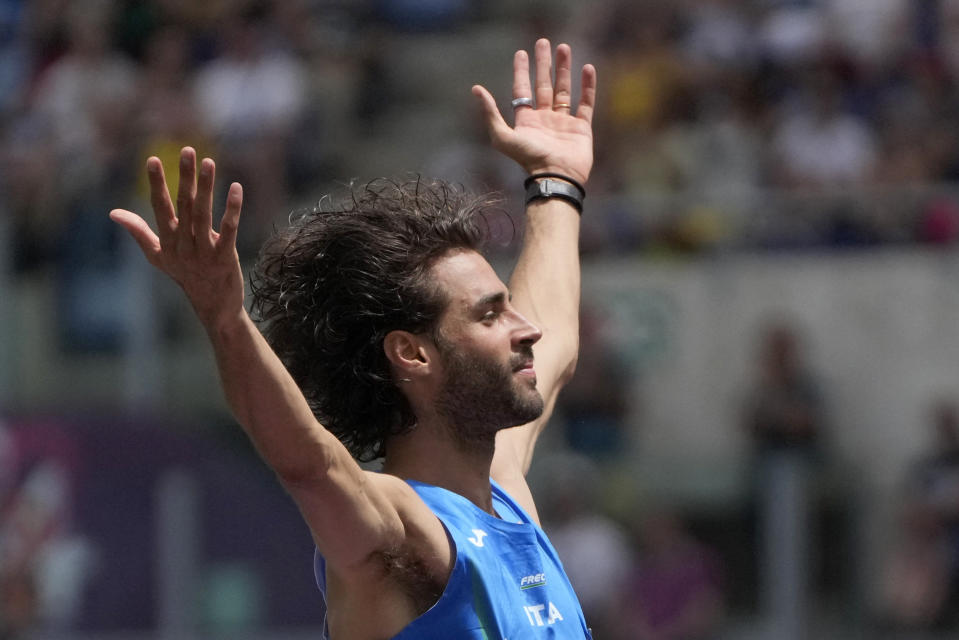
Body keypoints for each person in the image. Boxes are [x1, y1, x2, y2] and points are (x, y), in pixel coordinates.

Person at [110, 38, 597, 639]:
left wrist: (555, 183)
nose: (528, 329)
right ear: (413, 354)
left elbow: (557, 339)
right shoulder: (401, 531)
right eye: (491, 315)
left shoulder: (505, 491)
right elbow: (310, 464)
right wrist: (226, 320)